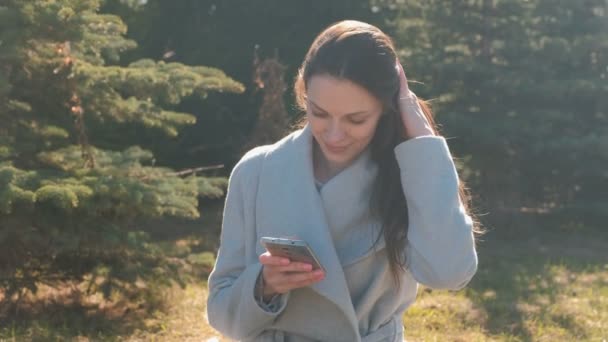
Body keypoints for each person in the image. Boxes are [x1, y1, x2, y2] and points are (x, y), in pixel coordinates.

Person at [206, 20, 479, 342]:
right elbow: (221, 313)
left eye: (356, 119)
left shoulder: (409, 176)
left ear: (385, 110)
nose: (334, 135)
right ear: (303, 94)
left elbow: (449, 273)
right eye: (319, 113)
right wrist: (264, 285)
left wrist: (421, 138)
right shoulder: (256, 172)